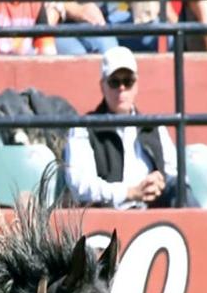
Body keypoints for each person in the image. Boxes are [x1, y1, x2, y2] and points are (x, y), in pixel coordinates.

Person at [64, 45, 180, 208]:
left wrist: (160, 181)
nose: (122, 89)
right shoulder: (83, 128)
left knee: (181, 190)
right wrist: (129, 192)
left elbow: (175, 174)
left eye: (128, 81)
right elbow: (80, 186)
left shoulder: (154, 126)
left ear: (136, 84)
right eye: (114, 82)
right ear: (102, 86)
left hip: (153, 218)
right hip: (106, 223)